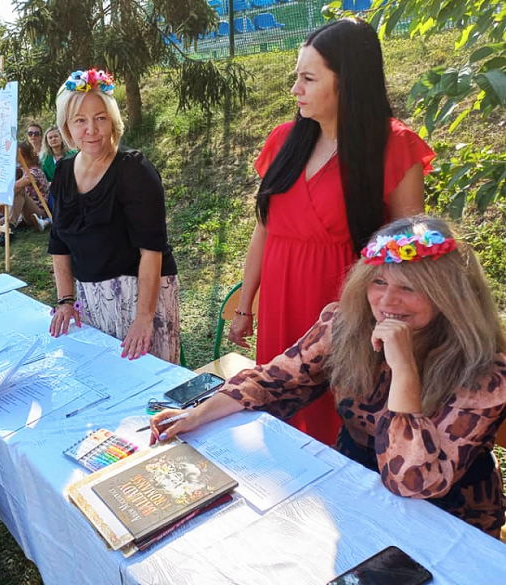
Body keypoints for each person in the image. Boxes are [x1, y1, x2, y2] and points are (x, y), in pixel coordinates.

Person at [153, 216, 506, 539]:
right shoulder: (344, 325)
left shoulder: (485, 371)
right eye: (378, 281)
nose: (386, 300)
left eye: (409, 288)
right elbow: (272, 380)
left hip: (450, 516)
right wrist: (196, 414)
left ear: (449, 295)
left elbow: (413, 480)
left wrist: (404, 371)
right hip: (353, 481)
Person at [227, 18, 435, 445]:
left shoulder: (394, 147)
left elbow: (410, 260)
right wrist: (245, 305)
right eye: (295, 77)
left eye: (308, 78)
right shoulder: (284, 140)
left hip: (345, 310)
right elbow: (263, 232)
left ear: (348, 83)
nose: (295, 89)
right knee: (279, 408)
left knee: (340, 426)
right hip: (282, 300)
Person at [48, 69, 180, 363]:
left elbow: (151, 250)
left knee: (148, 384)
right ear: (67, 127)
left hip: (140, 293)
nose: (91, 130)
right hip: (91, 298)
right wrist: (66, 299)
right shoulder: (64, 172)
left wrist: (144, 319)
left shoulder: (134, 170)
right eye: (80, 120)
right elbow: (59, 242)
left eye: (100, 118)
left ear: (112, 120)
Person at [10, 141, 51, 232]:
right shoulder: (23, 170)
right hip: (23, 213)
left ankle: (10, 225)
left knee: (20, 190)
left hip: (38, 213)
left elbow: (16, 187)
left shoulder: (35, 172)